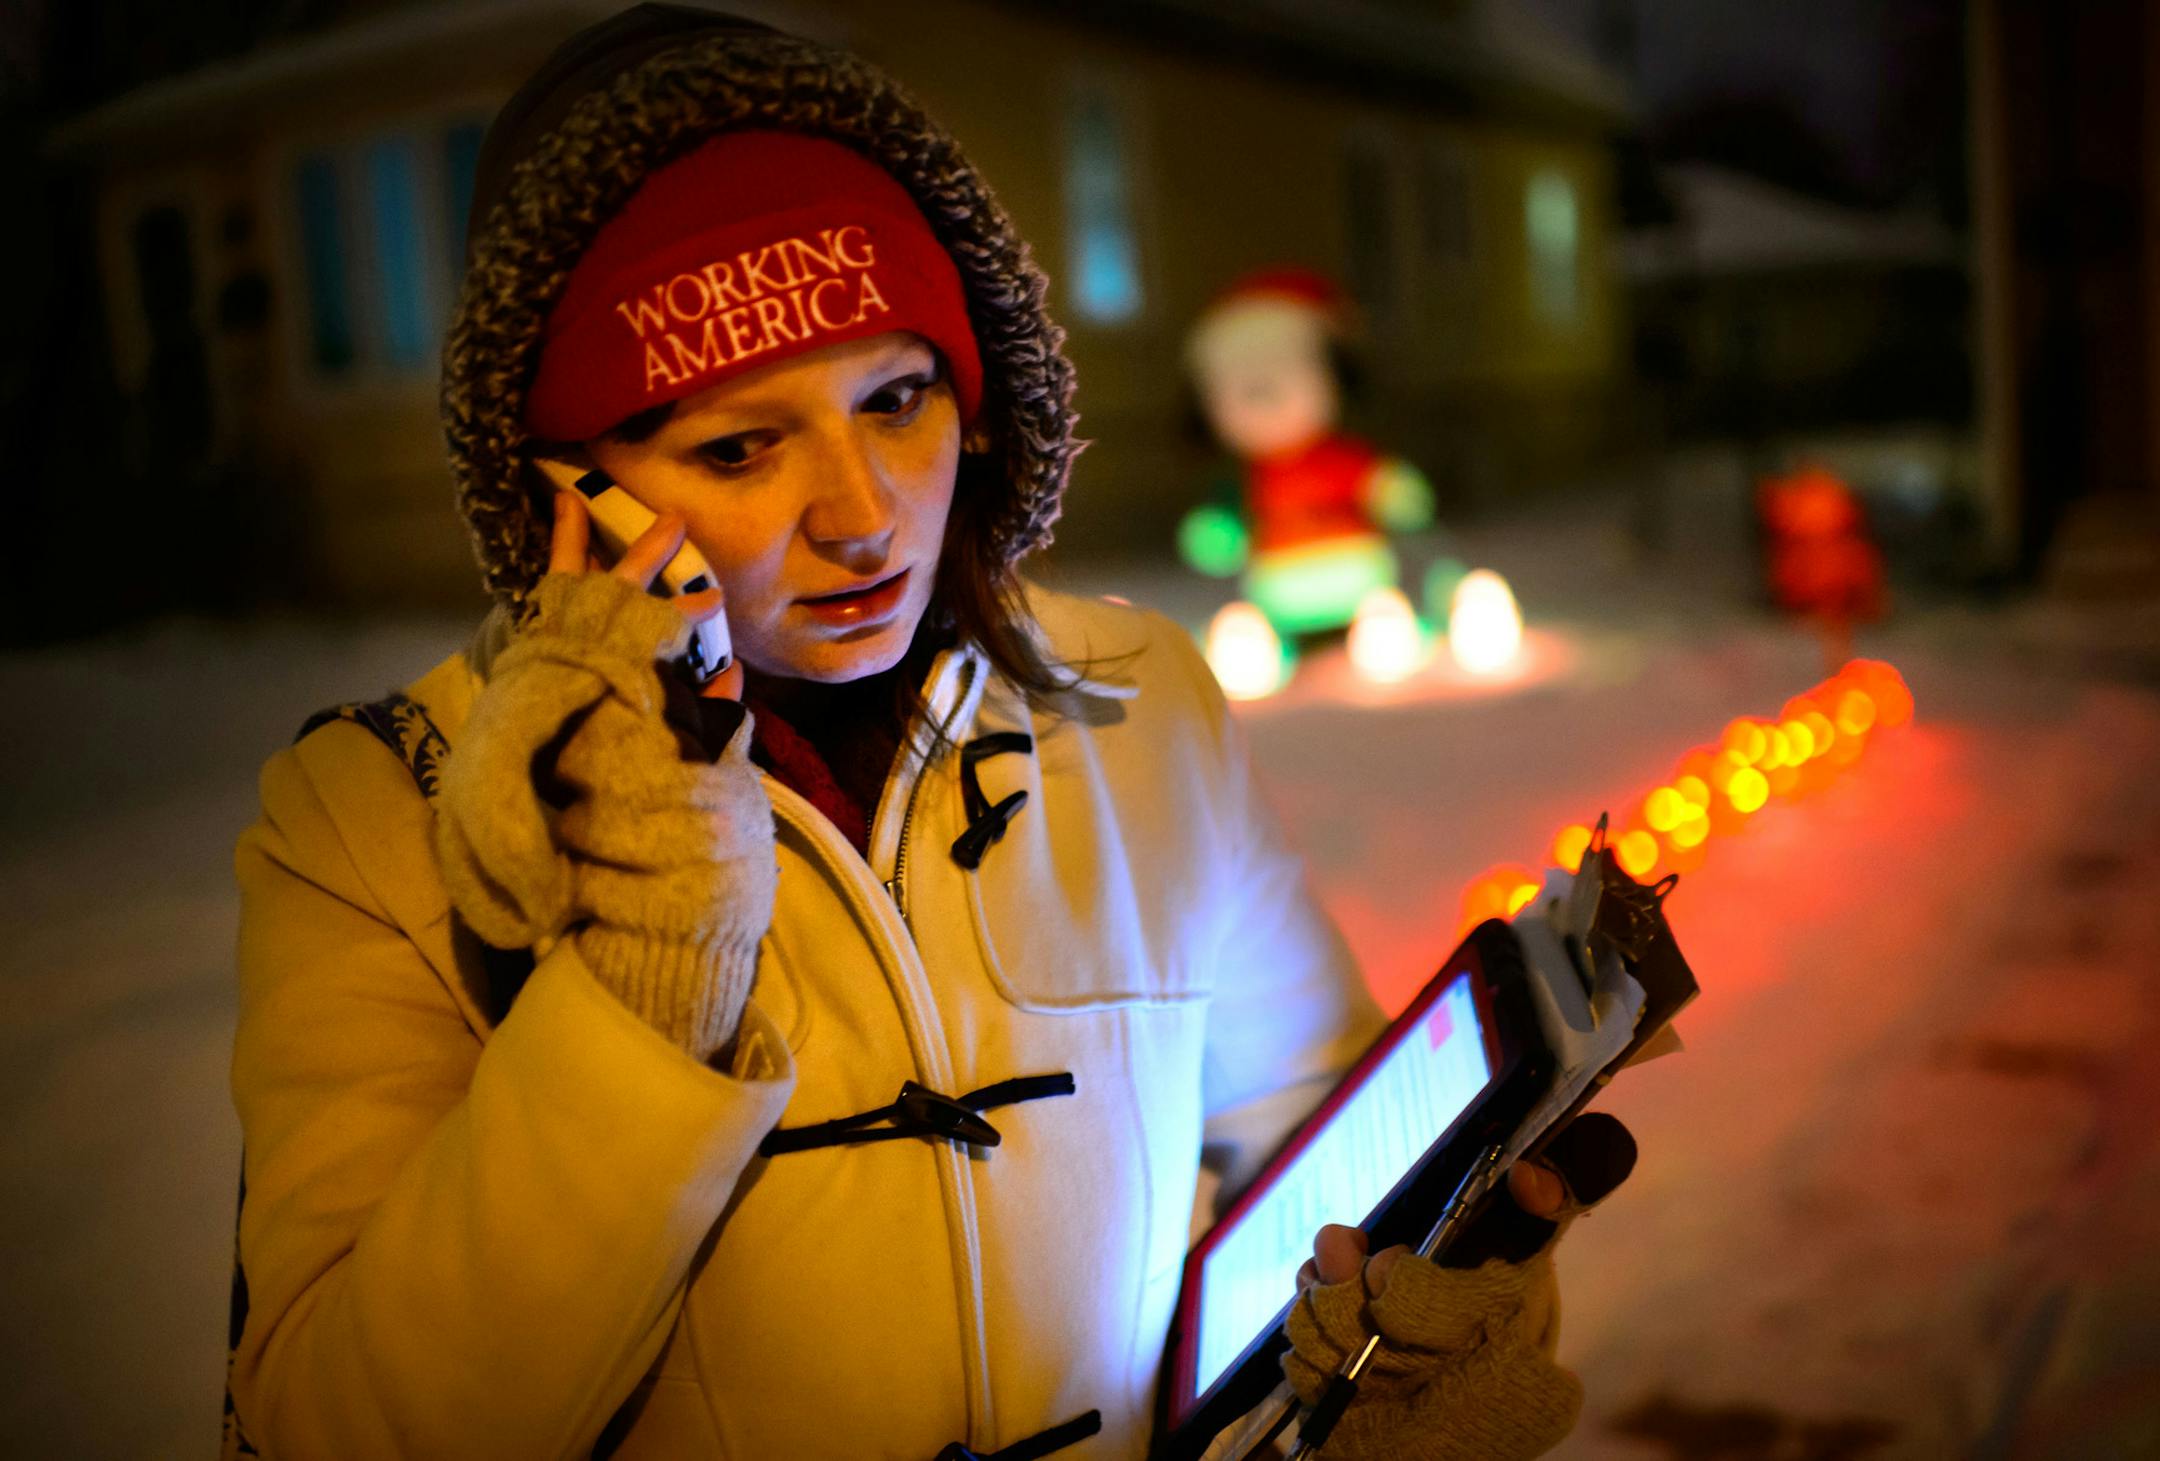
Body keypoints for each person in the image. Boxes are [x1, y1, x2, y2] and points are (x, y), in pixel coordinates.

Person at [225, 8, 1621, 1459]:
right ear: (573, 500)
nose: (863, 513)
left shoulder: (1139, 699)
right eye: (737, 446)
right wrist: (646, 986)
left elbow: (1313, 1159)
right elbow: (333, 1425)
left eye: (896, 398)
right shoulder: (378, 819)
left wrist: (1404, 1324)